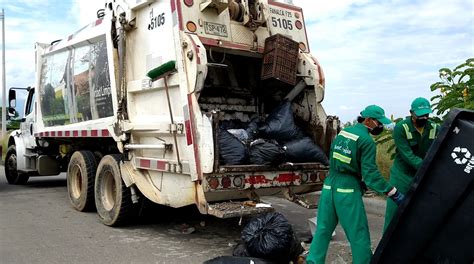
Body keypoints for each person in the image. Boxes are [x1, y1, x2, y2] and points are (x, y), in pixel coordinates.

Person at [306, 105, 404, 264]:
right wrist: (393, 192)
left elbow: (335, 158)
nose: (380, 126)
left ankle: (313, 261)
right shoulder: (366, 141)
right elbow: (371, 175)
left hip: (329, 186)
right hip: (347, 190)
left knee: (322, 231)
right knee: (358, 235)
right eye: (378, 123)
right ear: (368, 120)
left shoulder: (343, 133)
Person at [383, 97, 439, 231]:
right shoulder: (401, 128)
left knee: (421, 210)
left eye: (426, 115)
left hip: (424, 174)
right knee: (394, 211)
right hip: (402, 175)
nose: (424, 118)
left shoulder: (435, 128)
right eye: (420, 115)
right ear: (411, 113)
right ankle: (386, 247)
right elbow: (407, 155)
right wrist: (427, 167)